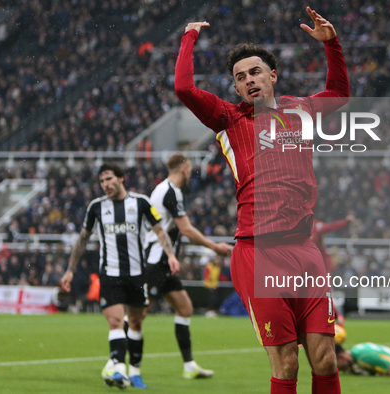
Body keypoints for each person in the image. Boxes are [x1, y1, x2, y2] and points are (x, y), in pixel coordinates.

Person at [175, 6, 349, 394]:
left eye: (255, 72)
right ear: (236, 89)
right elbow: (184, 89)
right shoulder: (228, 118)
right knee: (287, 363)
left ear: (272, 76)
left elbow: (338, 93)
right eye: (240, 77)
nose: (249, 80)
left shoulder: (299, 109)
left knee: (325, 357)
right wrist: (189, 36)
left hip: (304, 252)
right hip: (258, 253)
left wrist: (332, 44)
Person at [61, 163, 180, 389]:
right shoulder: (96, 207)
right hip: (110, 274)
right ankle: (118, 369)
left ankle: (134, 371)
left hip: (136, 274)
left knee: (135, 322)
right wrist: (69, 270)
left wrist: (171, 255)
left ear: (121, 178)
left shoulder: (141, 203)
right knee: (115, 321)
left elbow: (160, 230)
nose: (105, 185)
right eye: (102, 181)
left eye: (109, 179)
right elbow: (82, 239)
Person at [141, 153, 232, 379]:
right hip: (157, 260)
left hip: (164, 260)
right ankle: (117, 362)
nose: (191, 172)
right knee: (137, 315)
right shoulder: (171, 191)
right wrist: (214, 246)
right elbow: (187, 230)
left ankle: (189, 366)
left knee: (185, 308)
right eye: (190, 168)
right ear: (184, 170)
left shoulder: (166, 190)